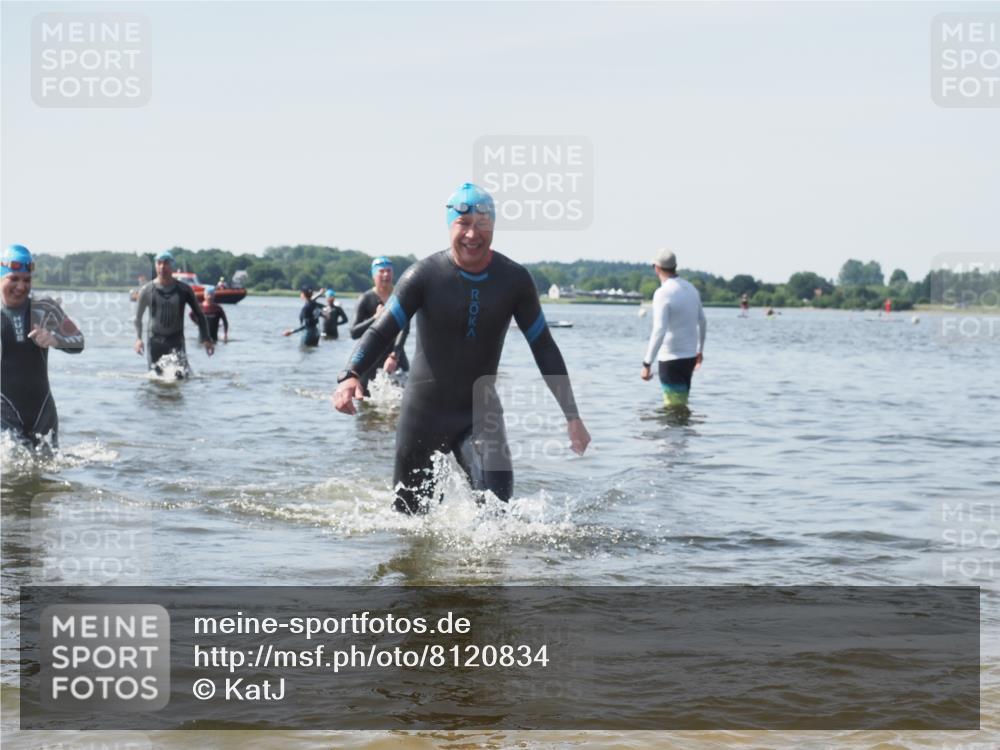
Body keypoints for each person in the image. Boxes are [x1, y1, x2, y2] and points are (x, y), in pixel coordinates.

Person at [333, 182, 591, 514]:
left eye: (482, 224)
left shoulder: (514, 280)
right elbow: (381, 330)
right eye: (463, 224)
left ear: (493, 226)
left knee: (497, 513)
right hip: (423, 415)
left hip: (481, 414)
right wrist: (350, 374)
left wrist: (572, 416)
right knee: (408, 520)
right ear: (449, 226)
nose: (472, 234)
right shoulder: (423, 276)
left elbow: (543, 346)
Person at [1, 244, 85, 448]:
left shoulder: (44, 308)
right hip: (3, 412)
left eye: (26, 280)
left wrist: (55, 339)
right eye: (14, 278)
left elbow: (79, 341)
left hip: (42, 412)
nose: (21, 286)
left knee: (49, 465)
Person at [640, 249, 707, 407]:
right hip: (689, 357)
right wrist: (699, 351)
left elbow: (659, 330)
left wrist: (647, 363)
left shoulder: (662, 293)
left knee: (673, 408)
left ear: (657, 268)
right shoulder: (691, 289)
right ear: (674, 266)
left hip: (670, 359)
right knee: (681, 404)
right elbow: (703, 321)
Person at [134, 251, 213, 376]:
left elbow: (200, 315)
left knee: (181, 377)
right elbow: (138, 318)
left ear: (172, 266)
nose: (162, 267)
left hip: (176, 341)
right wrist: (138, 339)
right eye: (159, 263)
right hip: (155, 342)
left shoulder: (184, 290)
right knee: (156, 378)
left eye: (166, 263)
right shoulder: (147, 290)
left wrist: (206, 339)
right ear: (155, 266)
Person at [350, 257, 410, 393]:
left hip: (395, 356)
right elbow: (354, 332)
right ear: (373, 275)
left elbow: (404, 329)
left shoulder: (401, 296)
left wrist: (394, 355)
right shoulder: (365, 299)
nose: (386, 274)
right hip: (370, 358)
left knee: (403, 398)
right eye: (381, 271)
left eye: (389, 271)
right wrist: (375, 318)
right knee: (366, 400)